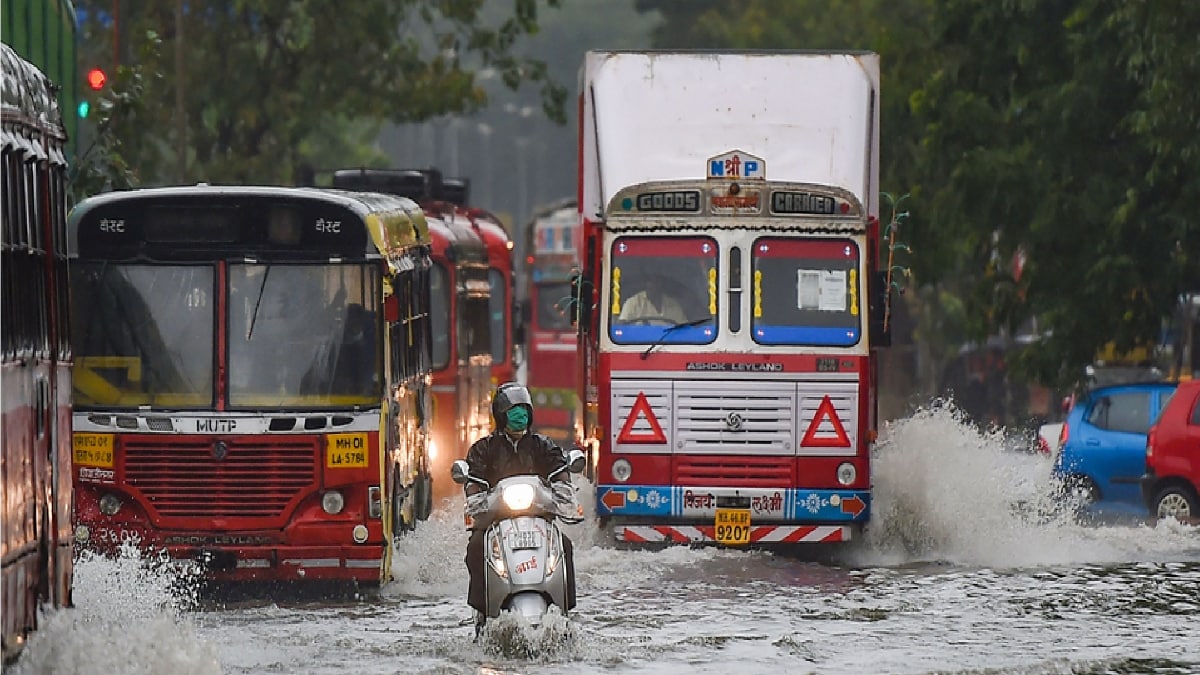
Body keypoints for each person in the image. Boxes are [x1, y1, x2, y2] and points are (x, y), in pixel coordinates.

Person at [463, 382, 577, 617]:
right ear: (500, 415)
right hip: (495, 519)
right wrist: (476, 498)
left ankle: (565, 610)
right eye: (514, 411)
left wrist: (564, 491)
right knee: (475, 548)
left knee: (565, 545)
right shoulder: (484, 449)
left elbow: (559, 470)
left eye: (524, 410)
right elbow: (473, 480)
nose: (520, 416)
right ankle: (483, 612)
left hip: (538, 517)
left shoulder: (542, 445)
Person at [618, 275, 688, 324]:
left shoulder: (673, 305)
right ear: (645, 284)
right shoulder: (633, 303)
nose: (653, 284)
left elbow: (684, 329)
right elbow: (621, 327)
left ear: (662, 284)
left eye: (657, 281)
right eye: (650, 280)